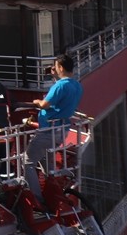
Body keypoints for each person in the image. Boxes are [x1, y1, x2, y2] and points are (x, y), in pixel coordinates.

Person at [24, 53, 83, 208]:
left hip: (48, 130)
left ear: (60, 68)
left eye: (56, 67)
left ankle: (37, 199)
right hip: (62, 130)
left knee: (28, 162)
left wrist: (37, 102)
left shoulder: (60, 86)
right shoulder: (77, 85)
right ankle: (51, 191)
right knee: (46, 162)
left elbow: (45, 104)